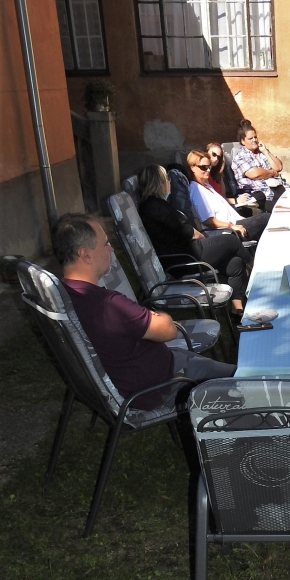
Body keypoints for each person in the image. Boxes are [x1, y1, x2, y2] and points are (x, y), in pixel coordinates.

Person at [51, 214, 236, 412]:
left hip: (150, 374)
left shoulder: (64, 297)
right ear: (86, 255)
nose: (111, 249)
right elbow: (168, 330)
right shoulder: (108, 305)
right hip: (165, 385)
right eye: (105, 244)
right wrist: (156, 316)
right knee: (246, 379)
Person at [138, 164, 253, 318]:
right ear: (158, 183)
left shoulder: (155, 205)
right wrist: (204, 239)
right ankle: (256, 273)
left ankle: (237, 311)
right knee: (231, 241)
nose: (169, 182)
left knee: (235, 262)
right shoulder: (155, 207)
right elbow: (188, 232)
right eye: (167, 179)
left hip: (186, 252)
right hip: (184, 258)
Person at [186, 150, 269, 241]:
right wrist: (231, 226)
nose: (208, 170)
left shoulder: (207, 186)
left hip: (235, 224)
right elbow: (207, 220)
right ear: (192, 168)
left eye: (209, 166)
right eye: (204, 167)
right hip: (227, 232)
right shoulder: (196, 190)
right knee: (267, 218)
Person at [231, 125, 289, 211]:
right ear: (243, 141)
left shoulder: (261, 152)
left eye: (255, 137)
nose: (254, 140)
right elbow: (256, 174)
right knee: (284, 209)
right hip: (260, 192)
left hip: (276, 185)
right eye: (250, 138)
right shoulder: (241, 156)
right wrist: (272, 172)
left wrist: (265, 152)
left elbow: (278, 167)